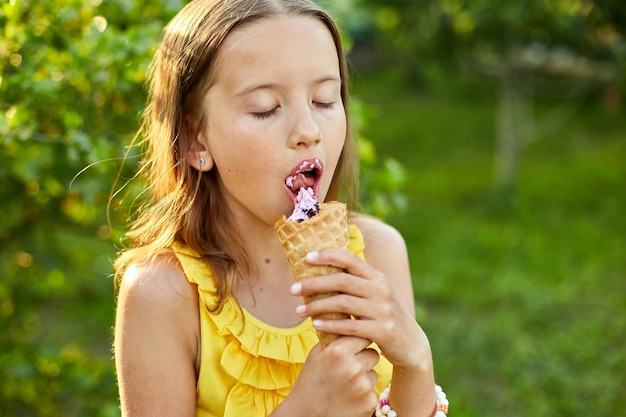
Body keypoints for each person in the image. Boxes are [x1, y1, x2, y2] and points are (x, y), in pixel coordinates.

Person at [113, 1, 447, 416]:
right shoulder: (163, 294)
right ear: (195, 140)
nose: (308, 131)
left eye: (325, 100)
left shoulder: (378, 255)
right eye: (266, 108)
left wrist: (416, 361)